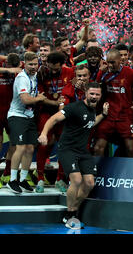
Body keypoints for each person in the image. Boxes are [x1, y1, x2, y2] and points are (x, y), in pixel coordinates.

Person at [38, 82, 109, 229]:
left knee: (89, 183)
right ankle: (71, 215)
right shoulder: (74, 108)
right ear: (86, 93)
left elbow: (91, 123)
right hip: (67, 149)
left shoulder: (92, 110)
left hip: (83, 151)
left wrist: (103, 115)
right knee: (76, 180)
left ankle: (72, 210)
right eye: (92, 94)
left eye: (97, 94)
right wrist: (44, 134)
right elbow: (53, 119)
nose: (94, 96)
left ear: (100, 96)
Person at [6, 52, 46, 194]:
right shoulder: (22, 78)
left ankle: (23, 179)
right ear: (24, 64)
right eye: (30, 64)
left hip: (29, 116)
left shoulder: (35, 75)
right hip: (17, 116)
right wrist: (39, 98)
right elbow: (25, 100)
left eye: (35, 64)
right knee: (21, 148)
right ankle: (12, 180)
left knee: (30, 148)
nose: (33, 67)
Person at [35, 51, 74, 193]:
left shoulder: (69, 72)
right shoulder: (42, 74)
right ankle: (39, 178)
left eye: (56, 69)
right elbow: (40, 97)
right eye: (51, 67)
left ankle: (60, 179)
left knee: (63, 145)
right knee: (44, 143)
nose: (53, 71)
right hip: (46, 111)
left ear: (62, 65)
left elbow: (73, 86)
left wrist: (64, 100)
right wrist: (55, 102)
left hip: (64, 113)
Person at [94, 49, 133, 157]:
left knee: (130, 148)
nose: (110, 65)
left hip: (125, 115)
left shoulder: (131, 73)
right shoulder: (103, 73)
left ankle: (132, 173)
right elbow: (95, 89)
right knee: (98, 147)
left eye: (112, 62)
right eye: (108, 62)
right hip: (108, 115)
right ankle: (96, 173)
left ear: (120, 60)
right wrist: (101, 73)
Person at [0, 54, 22, 188]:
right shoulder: (5, 68)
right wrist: (9, 70)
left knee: (14, 142)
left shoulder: (21, 69)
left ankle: (7, 173)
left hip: (13, 112)